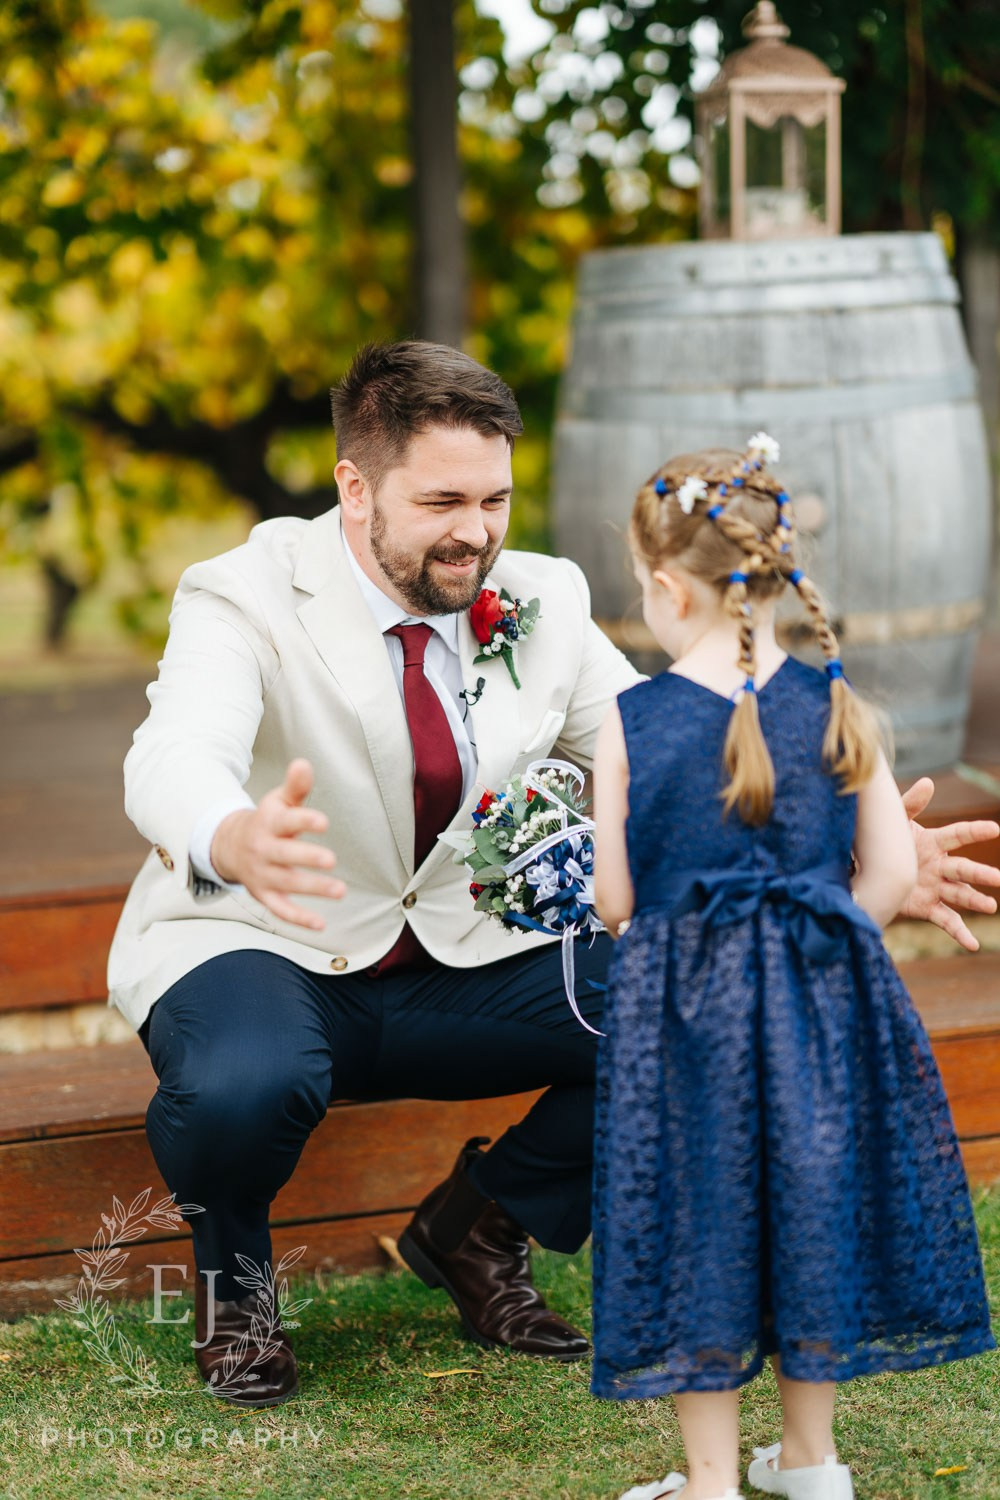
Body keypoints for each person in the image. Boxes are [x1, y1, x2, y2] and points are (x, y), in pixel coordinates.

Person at [108, 345, 998, 1410]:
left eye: (494, 498)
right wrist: (231, 832)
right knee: (244, 1085)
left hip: (467, 957)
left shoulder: (544, 597)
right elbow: (174, 752)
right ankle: (237, 1287)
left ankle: (478, 1227)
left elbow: (682, 758)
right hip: (265, 938)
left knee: (699, 1005)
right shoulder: (240, 590)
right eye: (441, 499)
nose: (476, 531)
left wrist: (848, 849)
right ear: (354, 488)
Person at [590, 439, 996, 1500]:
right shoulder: (839, 707)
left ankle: (712, 1482)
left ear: (669, 588)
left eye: (640, 585)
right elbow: (890, 873)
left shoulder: (629, 724)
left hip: (686, 1023)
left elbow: (619, 901)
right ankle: (812, 1464)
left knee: (700, 1220)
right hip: (824, 1008)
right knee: (809, 1203)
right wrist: (816, 938)